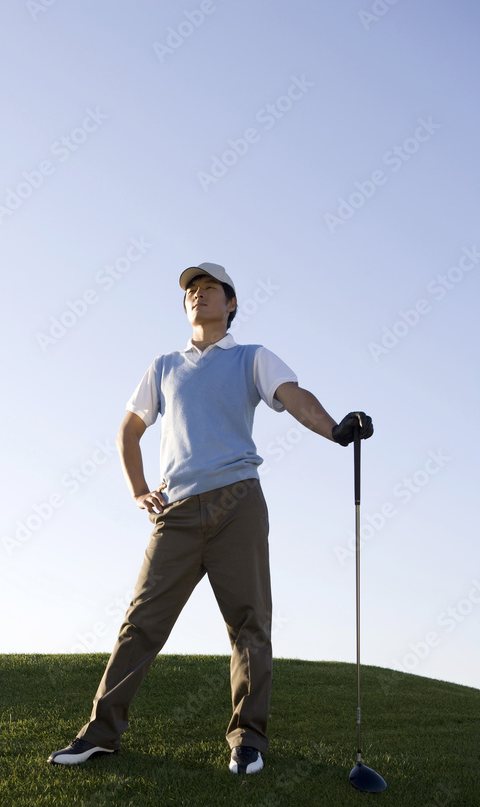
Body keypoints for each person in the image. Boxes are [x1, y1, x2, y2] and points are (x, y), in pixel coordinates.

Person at [48, 262, 373, 774]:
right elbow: (128, 431)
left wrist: (335, 430)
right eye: (191, 291)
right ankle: (101, 733)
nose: (199, 295)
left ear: (231, 304)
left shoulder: (252, 358)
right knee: (141, 623)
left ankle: (248, 741)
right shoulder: (162, 367)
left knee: (249, 625)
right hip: (175, 511)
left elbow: (294, 398)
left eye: (210, 289)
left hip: (236, 504)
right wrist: (138, 491)